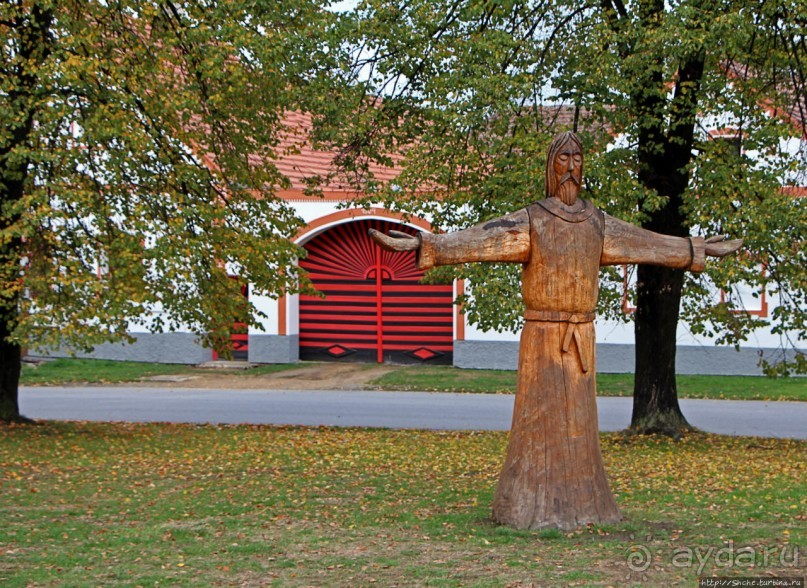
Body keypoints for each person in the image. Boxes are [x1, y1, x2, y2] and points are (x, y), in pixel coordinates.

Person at [370, 131, 741, 530]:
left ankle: (585, 505)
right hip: (543, 341)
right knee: (540, 424)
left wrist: (692, 249)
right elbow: (482, 239)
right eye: (562, 158)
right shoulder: (533, 220)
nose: (570, 166)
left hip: (582, 338)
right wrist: (429, 245)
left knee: (578, 424)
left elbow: (646, 243)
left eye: (577, 157)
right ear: (551, 165)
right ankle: (530, 505)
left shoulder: (596, 222)